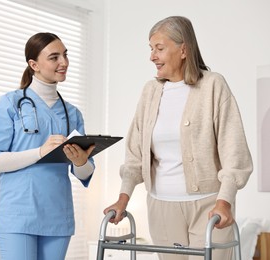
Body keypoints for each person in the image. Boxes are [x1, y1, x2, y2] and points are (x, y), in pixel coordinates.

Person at [103, 16, 253, 260]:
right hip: (161, 207)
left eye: (159, 48)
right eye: (151, 49)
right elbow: (135, 154)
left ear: (183, 49)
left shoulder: (213, 85)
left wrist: (225, 200)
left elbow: (234, 151)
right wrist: (123, 199)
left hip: (208, 205)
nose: (152, 56)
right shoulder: (150, 92)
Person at [0, 32, 95, 260]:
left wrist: (80, 162)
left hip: (57, 216)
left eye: (65, 55)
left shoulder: (72, 113)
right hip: (19, 214)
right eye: (54, 57)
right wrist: (40, 152)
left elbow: (85, 172)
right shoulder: (10, 103)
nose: (63, 62)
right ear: (34, 64)